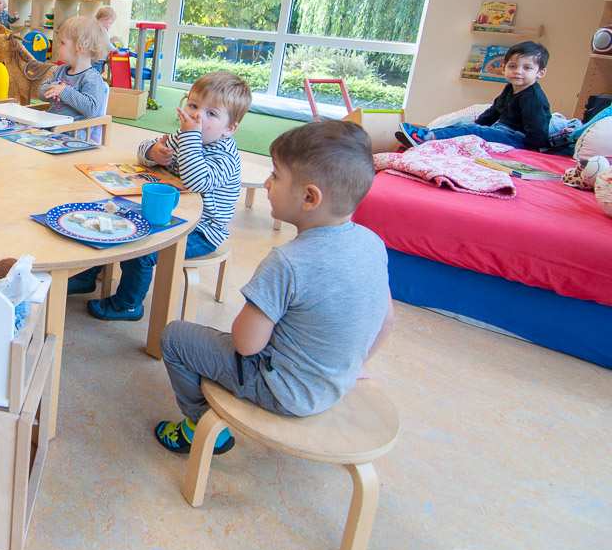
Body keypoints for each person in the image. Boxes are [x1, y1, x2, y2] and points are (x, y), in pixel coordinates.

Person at [153, 120, 393, 455]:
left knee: (176, 337)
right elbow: (386, 321)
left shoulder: (288, 262)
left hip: (280, 389)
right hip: (336, 382)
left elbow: (246, 344)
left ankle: (197, 425)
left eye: (276, 176)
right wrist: (350, 367)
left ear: (309, 197)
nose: (267, 183)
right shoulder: (373, 244)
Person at [75, 72, 251, 321]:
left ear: (229, 128)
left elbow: (196, 180)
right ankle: (86, 276)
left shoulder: (224, 156)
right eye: (193, 106)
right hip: (170, 212)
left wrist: (190, 136)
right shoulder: (183, 136)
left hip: (202, 230)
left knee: (141, 248)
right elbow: (143, 150)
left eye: (211, 113)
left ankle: (128, 305)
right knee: (113, 219)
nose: (197, 117)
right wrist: (153, 152)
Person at [396, 41, 551, 149]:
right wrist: (477, 124)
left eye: (527, 68)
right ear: (504, 68)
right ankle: (430, 135)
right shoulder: (510, 88)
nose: (518, 71)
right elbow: (494, 111)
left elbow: (538, 132)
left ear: (540, 72)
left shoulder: (533, 98)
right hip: (502, 130)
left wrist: (530, 150)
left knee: (475, 133)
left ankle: (427, 138)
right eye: (512, 66)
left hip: (518, 139)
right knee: (464, 126)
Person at [38, 15, 110, 121]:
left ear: (80, 47)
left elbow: (92, 109)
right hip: (52, 124)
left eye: (62, 43)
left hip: (73, 129)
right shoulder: (60, 70)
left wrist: (63, 91)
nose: (57, 46)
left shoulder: (91, 78)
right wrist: (54, 88)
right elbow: (40, 92)